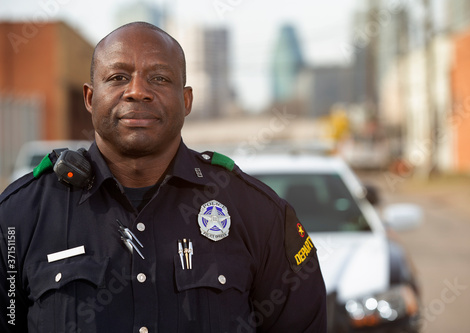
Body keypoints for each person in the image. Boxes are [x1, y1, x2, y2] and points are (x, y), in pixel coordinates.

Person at [0, 22, 326, 332]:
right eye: (117, 77)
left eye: (159, 79)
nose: (137, 91)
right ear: (89, 97)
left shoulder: (258, 214)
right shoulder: (17, 218)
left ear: (186, 101)